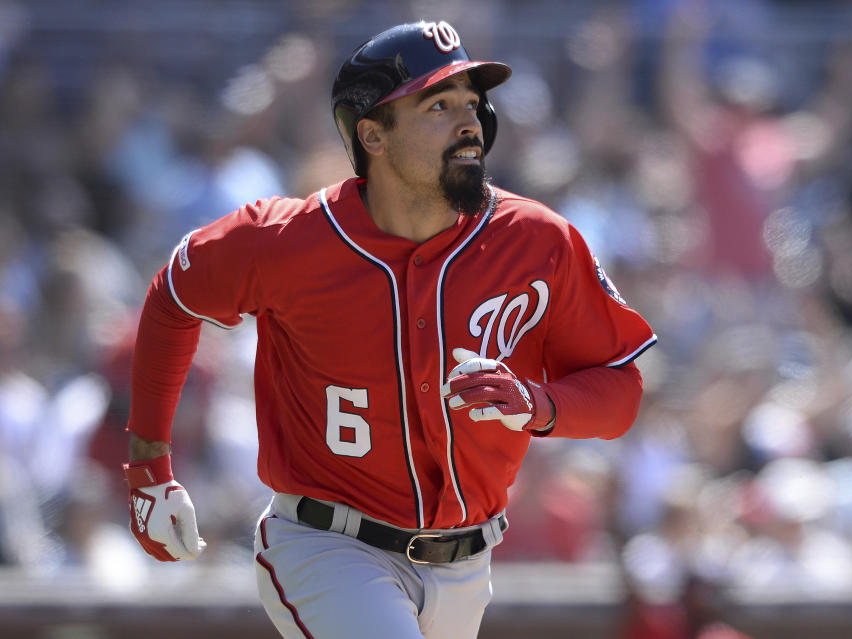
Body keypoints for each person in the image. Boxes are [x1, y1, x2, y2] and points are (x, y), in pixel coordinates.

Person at [121, 20, 657, 639]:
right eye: (438, 105)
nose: (468, 122)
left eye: (470, 103)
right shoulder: (286, 240)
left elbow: (621, 392)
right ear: (373, 134)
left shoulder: (538, 240)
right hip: (328, 547)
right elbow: (172, 296)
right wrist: (148, 467)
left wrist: (541, 404)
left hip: (466, 565)